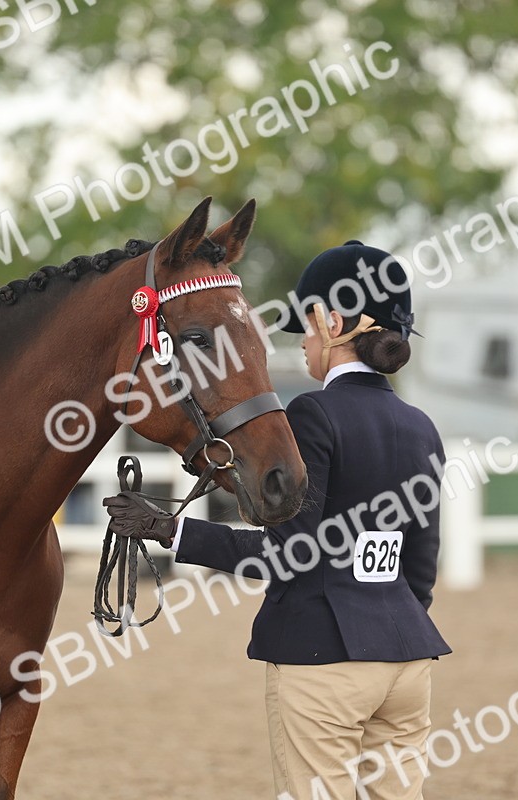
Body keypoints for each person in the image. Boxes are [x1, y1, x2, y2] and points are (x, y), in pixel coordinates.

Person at [104, 241, 450, 800]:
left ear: (333, 323)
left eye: (307, 331)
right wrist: (388, 624)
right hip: (408, 661)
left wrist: (170, 529)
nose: (305, 344)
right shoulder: (421, 427)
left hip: (322, 658)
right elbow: (421, 568)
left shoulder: (313, 414)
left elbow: (287, 555)